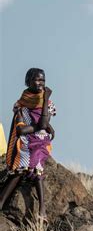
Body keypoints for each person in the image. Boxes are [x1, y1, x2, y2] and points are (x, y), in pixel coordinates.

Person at [0, 68, 56, 221]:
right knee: (20, 167)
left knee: (37, 166)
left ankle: (42, 210)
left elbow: (44, 123)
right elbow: (20, 130)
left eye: (43, 80)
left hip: (40, 141)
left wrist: (45, 100)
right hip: (24, 140)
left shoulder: (48, 103)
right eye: (37, 80)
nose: (40, 83)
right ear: (28, 81)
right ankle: (1, 202)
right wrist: (40, 127)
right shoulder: (21, 103)